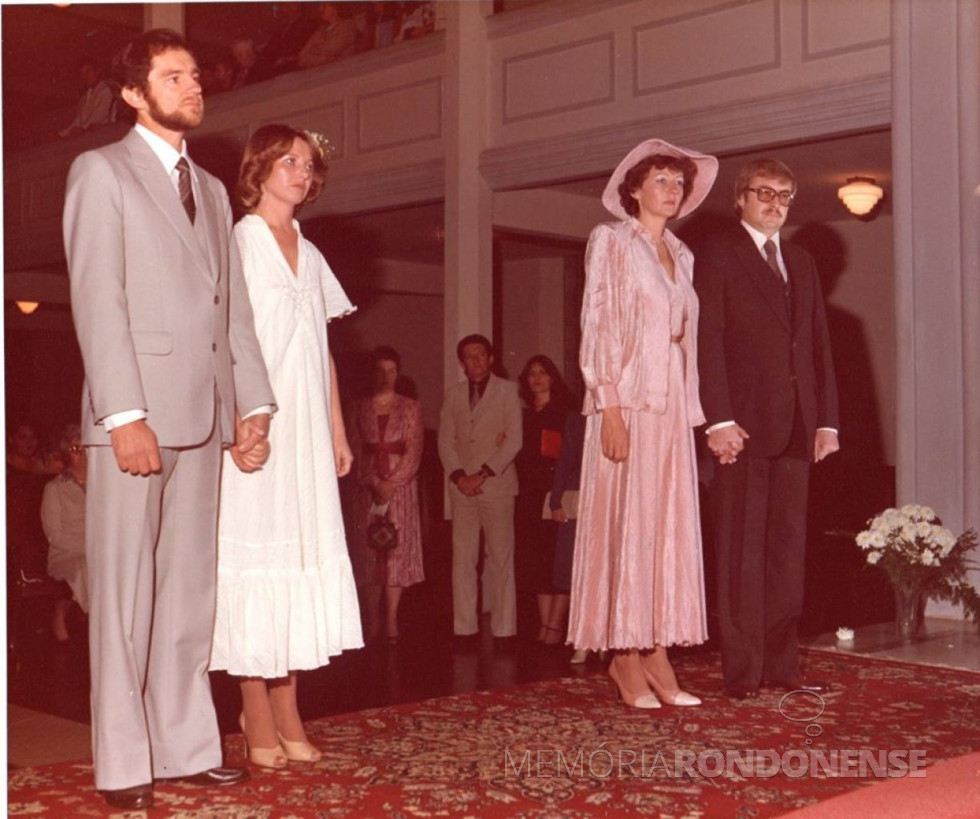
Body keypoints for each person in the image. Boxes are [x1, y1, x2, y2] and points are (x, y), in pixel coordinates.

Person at [63, 29, 275, 810]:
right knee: (124, 595)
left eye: (193, 74)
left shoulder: (214, 190)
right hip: (138, 416)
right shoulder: (101, 171)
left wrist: (250, 403)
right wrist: (123, 413)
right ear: (133, 93)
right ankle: (122, 760)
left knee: (188, 590)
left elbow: (233, 312)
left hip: (205, 416)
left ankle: (185, 744)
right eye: (173, 76)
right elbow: (97, 297)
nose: (192, 86)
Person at [209, 123, 363, 770]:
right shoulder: (242, 239)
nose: (300, 173)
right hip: (258, 428)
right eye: (287, 161)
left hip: (305, 432)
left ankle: (290, 706)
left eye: (307, 164)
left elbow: (320, 351)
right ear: (261, 168)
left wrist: (336, 427)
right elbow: (224, 341)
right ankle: (255, 707)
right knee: (257, 563)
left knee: (298, 558)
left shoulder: (309, 246)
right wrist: (242, 420)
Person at [567, 138, 718, 709]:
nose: (672, 190)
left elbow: (687, 338)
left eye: (678, 182)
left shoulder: (682, 254)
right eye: (660, 180)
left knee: (665, 525)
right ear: (633, 189)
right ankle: (623, 654)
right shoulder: (610, 241)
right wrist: (607, 404)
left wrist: (695, 410)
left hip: (671, 403)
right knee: (625, 526)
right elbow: (598, 322)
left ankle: (656, 644)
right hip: (626, 400)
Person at [694, 158, 840, 700]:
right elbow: (708, 339)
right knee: (740, 554)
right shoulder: (719, 254)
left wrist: (826, 421)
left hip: (798, 429)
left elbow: (817, 345)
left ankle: (781, 666)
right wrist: (720, 419)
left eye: (784, 196)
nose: (775, 205)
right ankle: (743, 671)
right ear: (740, 199)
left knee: (786, 552)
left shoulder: (800, 261)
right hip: (743, 428)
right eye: (764, 194)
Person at [438, 334, 522, 642]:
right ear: (461, 363)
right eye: (467, 357)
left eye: (479, 355)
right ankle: (464, 628)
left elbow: (514, 439)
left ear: (490, 358)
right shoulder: (455, 395)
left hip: (496, 486)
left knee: (500, 557)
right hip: (462, 489)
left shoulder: (508, 392)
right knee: (463, 558)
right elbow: (445, 440)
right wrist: (460, 476)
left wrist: (483, 473)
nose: (474, 362)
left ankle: (503, 629)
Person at [348, 346, 425, 645]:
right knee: (367, 553)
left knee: (396, 551)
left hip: (399, 487)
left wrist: (392, 483)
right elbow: (352, 447)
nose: (386, 377)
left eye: (392, 371)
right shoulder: (357, 406)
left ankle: (392, 617)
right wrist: (371, 481)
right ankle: (372, 619)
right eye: (380, 371)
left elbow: (415, 448)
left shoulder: (410, 407)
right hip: (366, 487)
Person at [514, 355, 571, 645]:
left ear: (552, 378)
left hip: (554, 492)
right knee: (535, 560)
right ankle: (544, 624)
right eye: (531, 373)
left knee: (556, 559)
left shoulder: (563, 412)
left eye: (542, 373)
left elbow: (563, 457)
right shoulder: (523, 414)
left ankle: (555, 625)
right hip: (528, 494)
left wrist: (557, 495)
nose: (536, 378)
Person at [40, 424, 89, 642]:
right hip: (67, 553)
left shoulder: (105, 485)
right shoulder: (55, 487)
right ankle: (94, 622)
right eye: (75, 449)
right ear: (66, 454)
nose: (83, 455)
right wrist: (91, 546)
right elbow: (54, 535)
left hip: (102, 550)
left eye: (86, 448)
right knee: (85, 567)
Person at [548, 410, 587, 662]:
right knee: (576, 573)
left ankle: (607, 643)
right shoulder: (577, 417)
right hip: (579, 495)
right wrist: (555, 500)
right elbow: (565, 458)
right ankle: (582, 640)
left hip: (612, 497)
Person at [58, 57, 116, 138]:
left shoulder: (105, 91)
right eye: (82, 73)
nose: (85, 76)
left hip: (103, 135)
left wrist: (82, 128)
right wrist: (61, 134)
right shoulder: (85, 96)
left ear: (97, 71)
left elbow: (98, 116)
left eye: (88, 71)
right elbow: (78, 120)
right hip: (88, 135)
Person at [296, 2, 358, 69]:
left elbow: (332, 50)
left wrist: (313, 50)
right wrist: (325, 59)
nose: (320, 9)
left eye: (324, 5)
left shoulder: (347, 26)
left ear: (334, 7)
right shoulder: (319, 31)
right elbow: (302, 58)